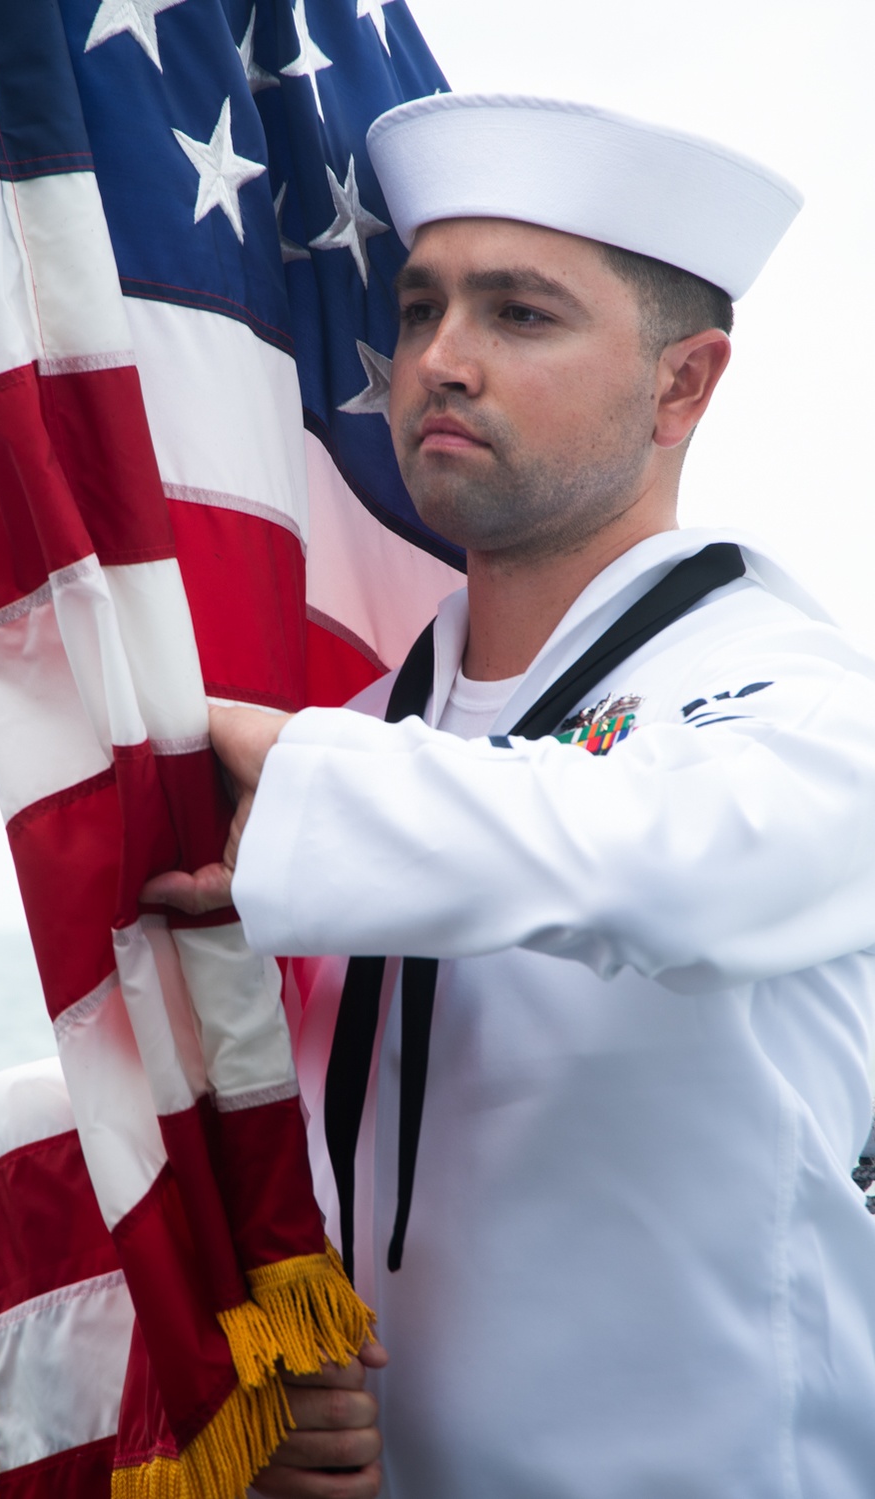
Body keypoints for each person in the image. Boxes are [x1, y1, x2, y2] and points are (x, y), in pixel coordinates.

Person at [144, 96, 875, 1498]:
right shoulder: (352, 749)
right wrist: (259, 1423)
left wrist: (295, 783)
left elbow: (661, 863)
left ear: (682, 388)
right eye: (419, 309)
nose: (439, 360)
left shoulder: (809, 705)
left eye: (521, 315)